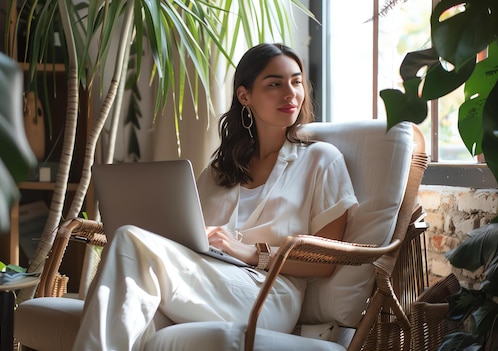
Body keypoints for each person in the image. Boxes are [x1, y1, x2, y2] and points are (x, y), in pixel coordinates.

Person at [73, 43, 358, 350]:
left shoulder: (321, 160)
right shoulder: (219, 171)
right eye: (275, 84)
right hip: (202, 286)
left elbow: (328, 260)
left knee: (128, 239)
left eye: (296, 81)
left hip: (267, 296)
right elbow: (186, 235)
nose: (290, 94)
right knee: (132, 315)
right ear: (244, 96)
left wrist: (248, 251)